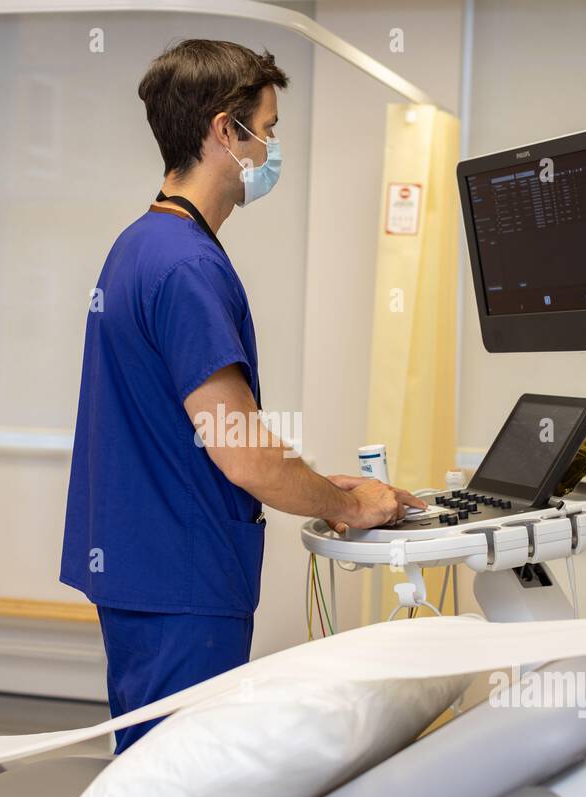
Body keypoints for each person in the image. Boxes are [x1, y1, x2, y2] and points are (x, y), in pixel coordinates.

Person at [60, 39, 422, 753]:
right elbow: (244, 456)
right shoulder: (188, 267)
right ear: (226, 131)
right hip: (183, 588)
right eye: (270, 129)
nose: (272, 147)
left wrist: (320, 485)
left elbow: (199, 431)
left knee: (150, 790)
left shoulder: (139, 245)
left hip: (146, 577)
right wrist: (351, 505)